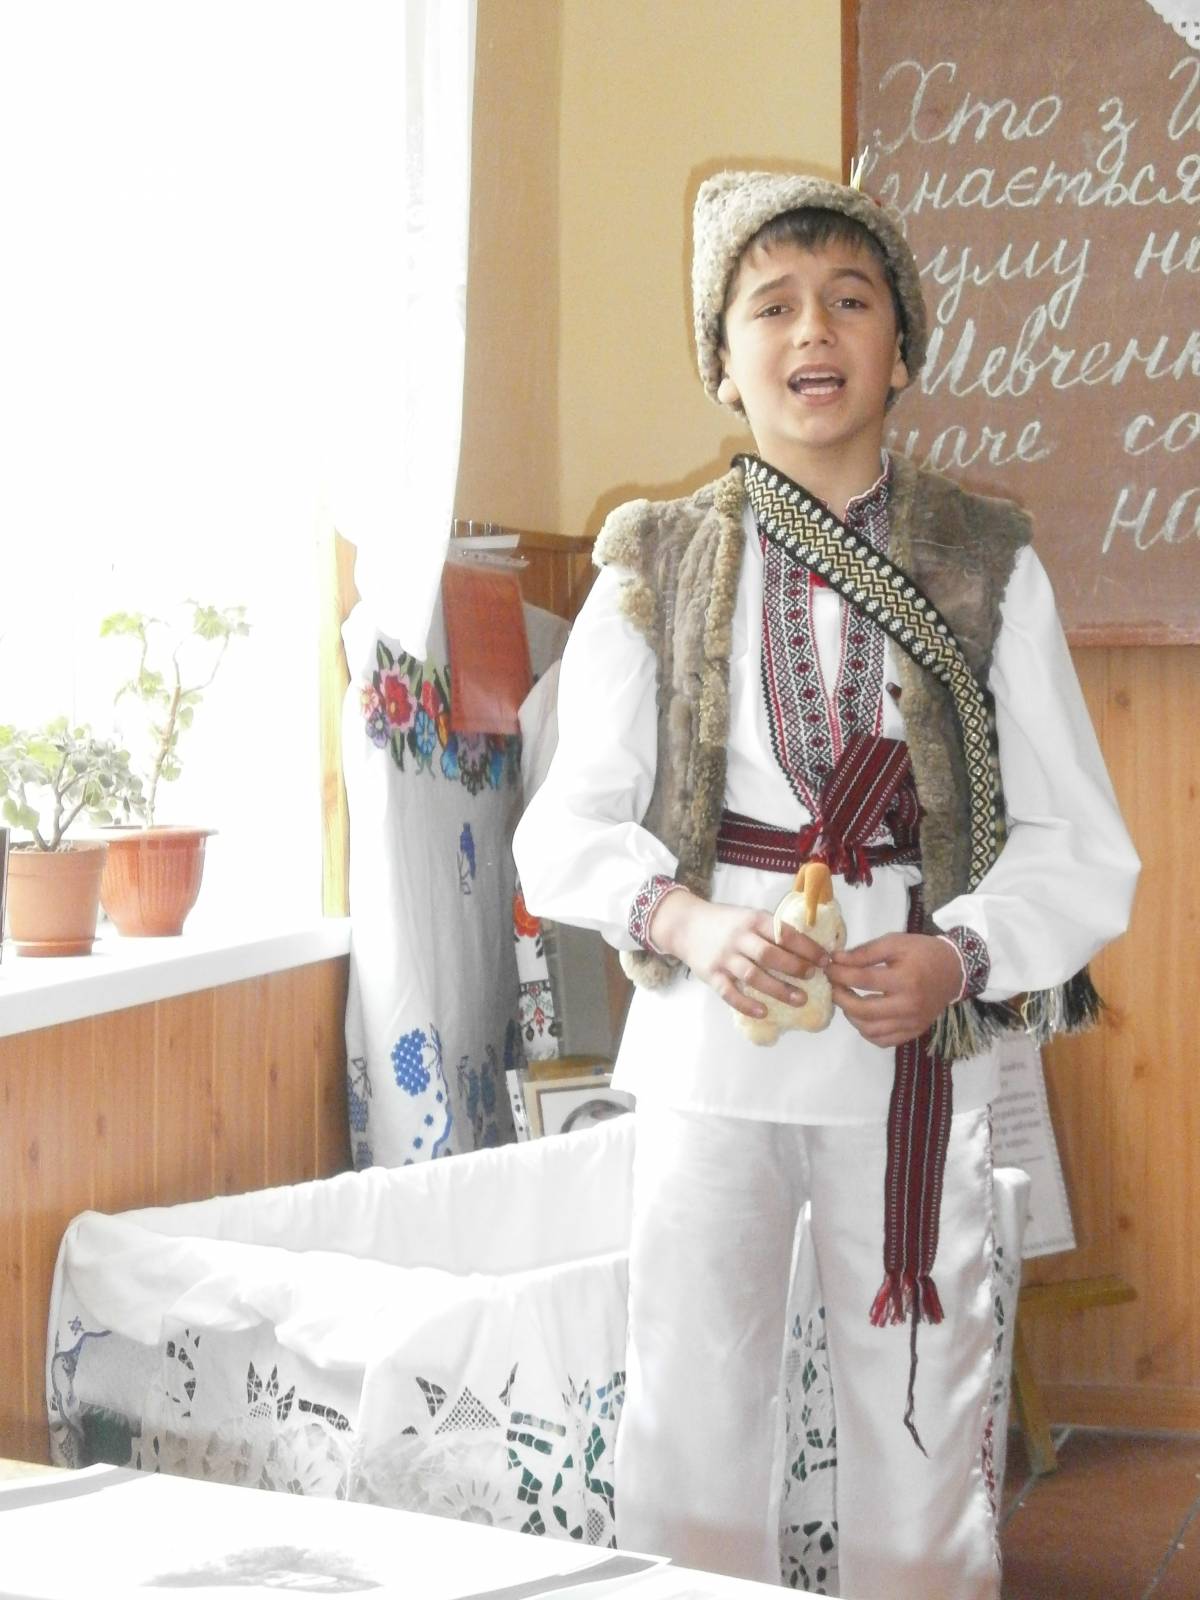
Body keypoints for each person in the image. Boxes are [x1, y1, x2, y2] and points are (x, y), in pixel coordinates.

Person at [512, 169, 1138, 1599]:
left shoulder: (986, 560)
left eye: (851, 301)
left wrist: (961, 955)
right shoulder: (655, 559)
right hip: (709, 1040)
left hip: (910, 1042)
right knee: (689, 1418)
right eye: (772, 306)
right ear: (722, 359)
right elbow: (568, 829)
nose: (813, 331)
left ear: (900, 349)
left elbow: (1079, 838)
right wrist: (686, 923)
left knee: (922, 1415)